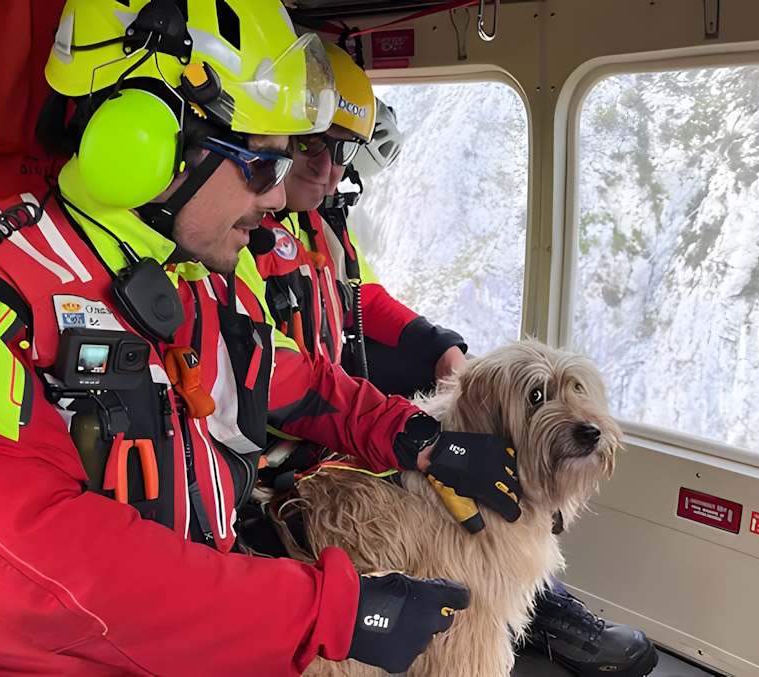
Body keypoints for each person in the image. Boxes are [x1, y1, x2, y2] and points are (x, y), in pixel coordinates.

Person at [0, 2, 525, 674]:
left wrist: (419, 439)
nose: (278, 198)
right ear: (144, 140)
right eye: (262, 161)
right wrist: (330, 609)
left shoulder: (195, 283)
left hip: (162, 645)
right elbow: (43, 565)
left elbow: (298, 384)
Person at [244, 48, 658, 675]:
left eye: (343, 153)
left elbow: (359, 297)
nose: (330, 171)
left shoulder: (317, 229)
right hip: (282, 449)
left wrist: (435, 342)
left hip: (329, 422)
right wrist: (407, 433)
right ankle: (490, 598)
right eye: (310, 148)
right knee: (461, 494)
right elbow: (280, 374)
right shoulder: (241, 237)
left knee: (481, 473)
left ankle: (519, 592)